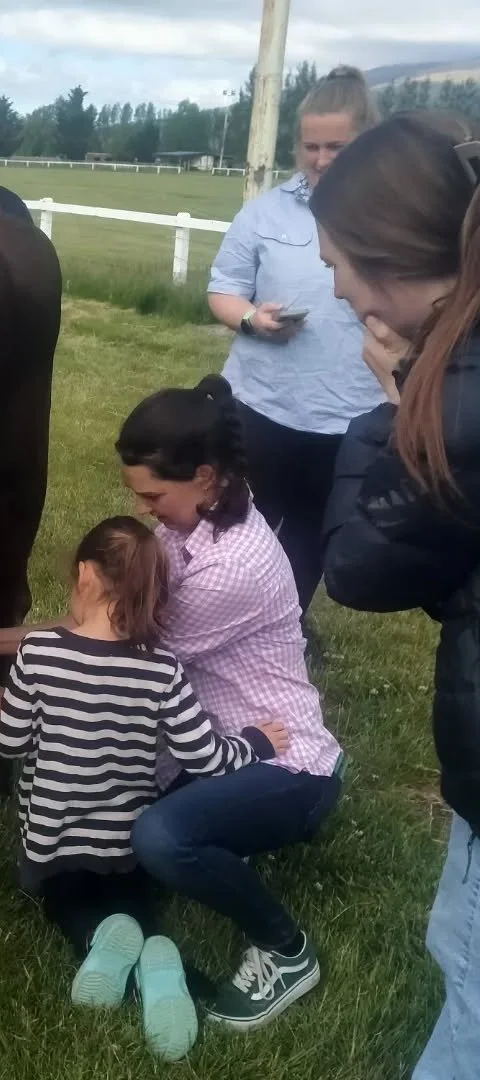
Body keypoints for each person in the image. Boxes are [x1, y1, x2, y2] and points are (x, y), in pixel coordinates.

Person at [0, 375, 344, 1030]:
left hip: (282, 762)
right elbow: (100, 631)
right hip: (212, 745)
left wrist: (3, 698)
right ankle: (154, 944)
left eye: (154, 495)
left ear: (206, 477)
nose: (148, 510)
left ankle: (286, 949)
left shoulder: (231, 567)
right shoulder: (204, 521)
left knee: (154, 837)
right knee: (114, 820)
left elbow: (107, 656)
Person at [309, 110, 480, 1080]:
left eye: (337, 261)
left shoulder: (454, 394)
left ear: (383, 259)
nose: (333, 285)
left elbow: (362, 568)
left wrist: (391, 403)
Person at [0, 514, 288, 1061]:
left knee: (69, 905)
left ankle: (96, 950)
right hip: (125, 848)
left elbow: (7, 744)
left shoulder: (38, 655)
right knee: (133, 909)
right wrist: (257, 743)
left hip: (54, 844)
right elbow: (208, 758)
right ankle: (165, 962)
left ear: (84, 576)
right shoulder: (164, 671)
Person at [206, 65, 384, 646]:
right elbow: (222, 290)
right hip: (261, 402)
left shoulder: (392, 216)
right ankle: (213, 622)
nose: (323, 158)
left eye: (338, 145)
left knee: (311, 532)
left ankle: (283, 628)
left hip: (349, 412)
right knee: (236, 520)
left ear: (366, 141)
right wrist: (253, 320)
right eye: (312, 145)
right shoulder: (265, 213)